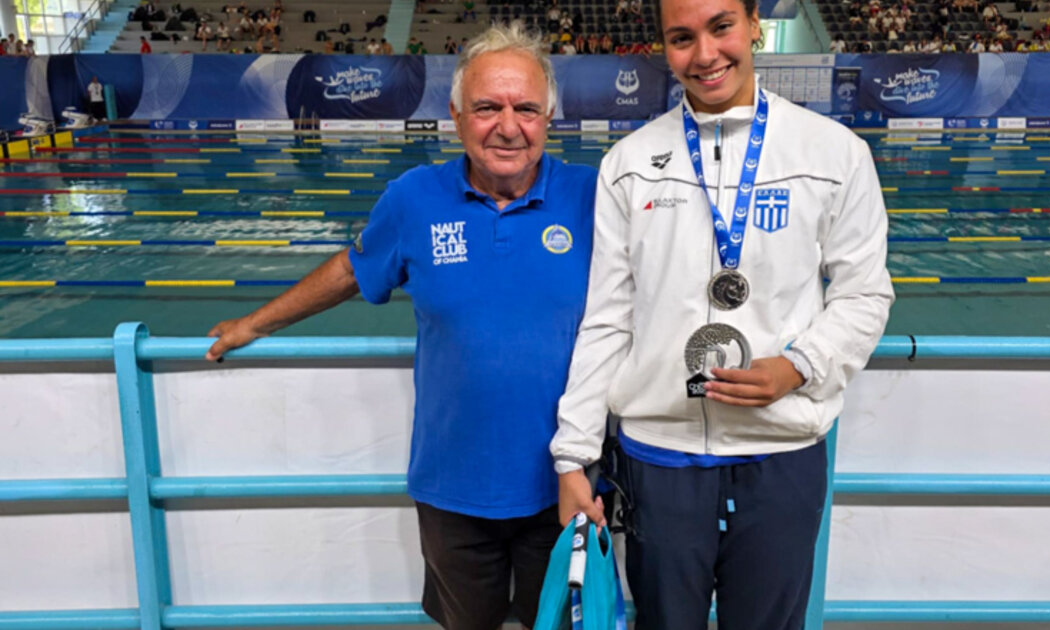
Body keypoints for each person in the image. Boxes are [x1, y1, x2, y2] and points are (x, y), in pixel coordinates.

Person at [204, 22, 598, 630]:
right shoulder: (415, 197)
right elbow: (350, 269)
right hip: (452, 487)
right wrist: (253, 325)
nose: (508, 126)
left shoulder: (591, 196)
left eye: (525, 109)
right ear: (456, 116)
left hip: (566, 485)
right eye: (487, 108)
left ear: (548, 117)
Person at [550, 0, 893, 626]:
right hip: (659, 458)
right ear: (663, 45)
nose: (705, 55)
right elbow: (608, 317)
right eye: (682, 37)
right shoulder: (629, 165)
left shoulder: (834, 155)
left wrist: (799, 365)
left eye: (721, 27)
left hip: (780, 455)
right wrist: (573, 455)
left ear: (755, 23)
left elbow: (865, 294)